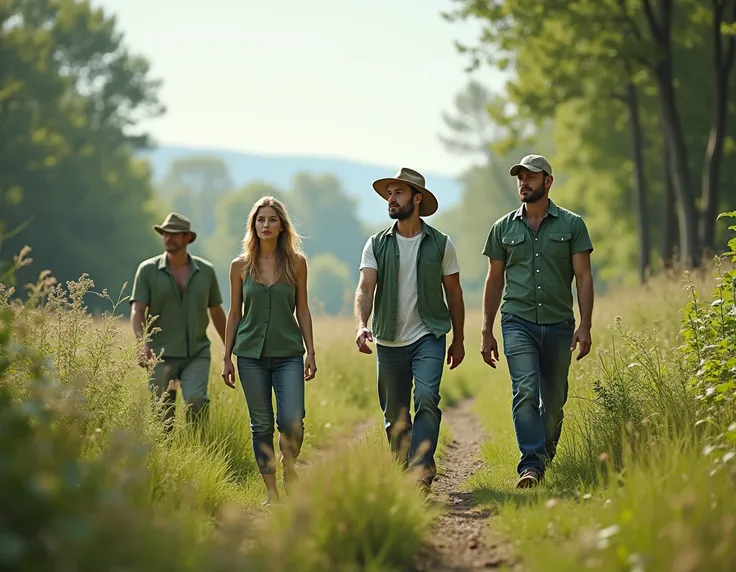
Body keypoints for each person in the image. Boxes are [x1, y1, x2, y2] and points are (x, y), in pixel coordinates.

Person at [480, 154, 595, 489]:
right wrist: (487, 330)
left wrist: (585, 325)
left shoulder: (572, 225)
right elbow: (494, 281)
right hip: (517, 321)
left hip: (559, 323)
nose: (523, 183)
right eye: (520, 178)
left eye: (531, 177)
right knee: (525, 390)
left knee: (555, 400)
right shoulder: (502, 228)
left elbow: (584, 278)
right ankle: (530, 465)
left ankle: (543, 456)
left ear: (548, 181)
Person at [354, 167, 465, 493]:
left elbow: (455, 294)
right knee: (395, 416)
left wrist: (458, 339)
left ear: (417, 198)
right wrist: (361, 324)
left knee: (427, 397)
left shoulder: (441, 244)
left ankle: (421, 468)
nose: (391, 198)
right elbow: (365, 288)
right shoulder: (376, 244)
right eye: (389, 193)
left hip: (428, 335)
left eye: (398, 193)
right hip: (388, 339)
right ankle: (404, 468)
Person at [221, 195, 317, 504]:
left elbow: (302, 310)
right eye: (260, 220)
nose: (265, 225)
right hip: (249, 356)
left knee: (292, 420)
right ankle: (271, 493)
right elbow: (234, 313)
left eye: (271, 219)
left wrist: (311, 352)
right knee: (260, 423)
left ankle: (289, 465)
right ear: (253, 225)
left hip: (289, 353)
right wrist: (226, 357)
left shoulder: (297, 263)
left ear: (281, 226)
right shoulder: (240, 266)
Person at [130, 212, 227, 433]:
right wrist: (141, 343)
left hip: (197, 352)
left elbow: (216, 311)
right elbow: (137, 309)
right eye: (165, 233)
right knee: (162, 413)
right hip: (159, 354)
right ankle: (166, 456)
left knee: (196, 400)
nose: (168, 238)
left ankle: (199, 448)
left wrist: (231, 348)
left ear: (187, 238)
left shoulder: (206, 272)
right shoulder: (147, 270)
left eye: (174, 234)